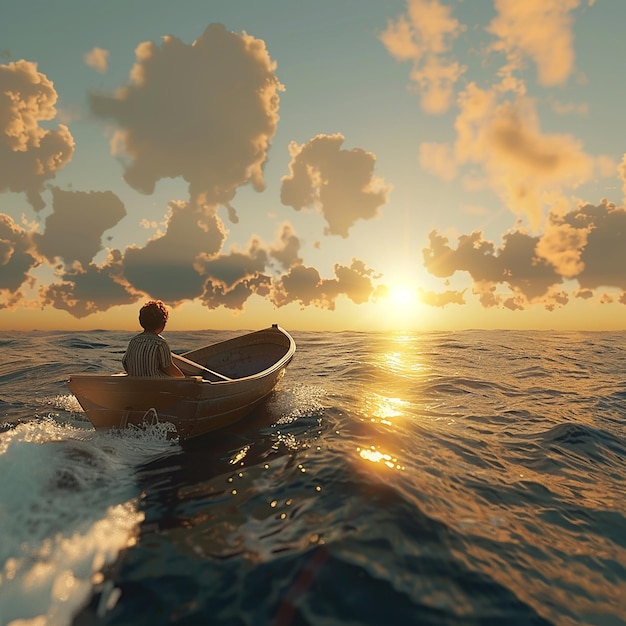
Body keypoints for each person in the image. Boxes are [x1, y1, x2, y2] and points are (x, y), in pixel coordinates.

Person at [122, 300, 185, 378]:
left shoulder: (134, 340)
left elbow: (125, 362)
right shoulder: (160, 343)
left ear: (141, 322)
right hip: (156, 386)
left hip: (136, 384)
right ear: (163, 324)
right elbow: (168, 367)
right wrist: (182, 378)